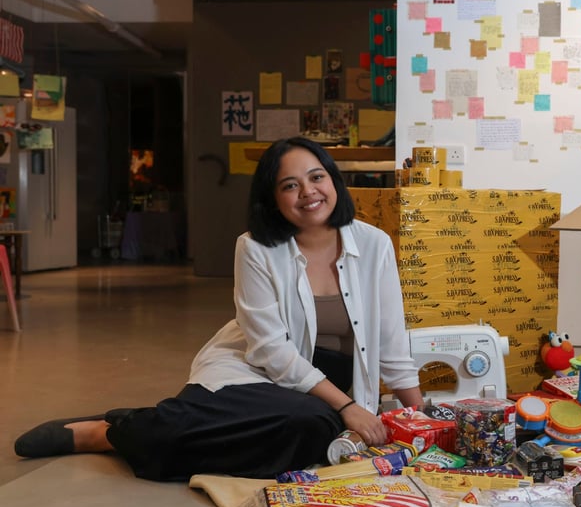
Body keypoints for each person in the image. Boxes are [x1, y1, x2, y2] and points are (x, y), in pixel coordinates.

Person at [14, 136, 423, 481]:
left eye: (317, 177)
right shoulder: (255, 247)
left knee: (314, 429)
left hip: (324, 388)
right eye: (290, 185)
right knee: (308, 420)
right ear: (272, 199)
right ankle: (108, 432)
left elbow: (390, 339)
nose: (309, 192)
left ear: (333, 180)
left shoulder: (373, 244)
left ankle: (166, 419)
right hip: (257, 369)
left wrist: (422, 419)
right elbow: (271, 352)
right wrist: (348, 406)